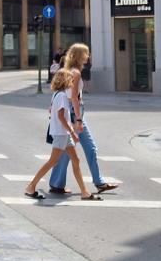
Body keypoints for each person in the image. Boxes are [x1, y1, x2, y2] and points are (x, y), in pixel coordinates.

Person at [48, 43, 119, 195]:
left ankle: (59, 183)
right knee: (76, 149)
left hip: (72, 112)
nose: (88, 56)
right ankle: (58, 184)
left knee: (76, 149)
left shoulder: (66, 70)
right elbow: (74, 97)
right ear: (80, 56)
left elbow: (60, 92)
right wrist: (78, 120)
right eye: (86, 54)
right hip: (75, 113)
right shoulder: (76, 73)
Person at [24, 69, 100, 201]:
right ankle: (31, 186)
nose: (72, 82)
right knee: (52, 161)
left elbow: (55, 112)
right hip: (61, 134)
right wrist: (72, 132)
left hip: (63, 134)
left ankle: (84, 192)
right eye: (70, 79)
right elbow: (60, 117)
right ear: (64, 80)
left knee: (75, 160)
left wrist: (71, 130)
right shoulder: (62, 96)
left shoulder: (58, 95)